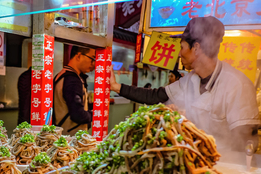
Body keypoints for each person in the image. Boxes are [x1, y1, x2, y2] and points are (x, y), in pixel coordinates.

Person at [110, 16, 260, 151]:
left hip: (227, 167)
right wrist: (116, 87)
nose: (180, 53)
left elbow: (246, 139)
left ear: (196, 48)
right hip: (194, 161)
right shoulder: (190, 79)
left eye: (182, 47)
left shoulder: (237, 84)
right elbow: (155, 96)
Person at [53, 46, 95, 135]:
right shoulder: (72, 80)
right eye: (92, 58)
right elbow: (78, 114)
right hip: (70, 137)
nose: (94, 64)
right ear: (79, 56)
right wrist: (96, 114)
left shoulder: (64, 74)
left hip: (66, 135)